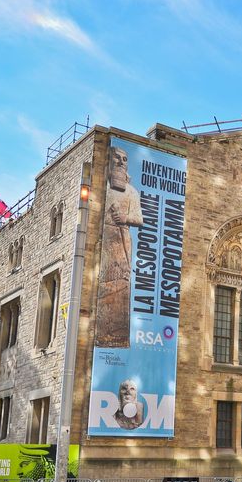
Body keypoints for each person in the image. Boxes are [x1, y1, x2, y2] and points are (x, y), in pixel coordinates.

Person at [95, 146, 144, 348]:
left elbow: (139, 219)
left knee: (122, 283)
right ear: (110, 160)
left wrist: (125, 217)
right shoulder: (102, 188)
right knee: (105, 283)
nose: (121, 162)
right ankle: (104, 332)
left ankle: (118, 333)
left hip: (122, 240)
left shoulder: (132, 192)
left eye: (125, 159)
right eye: (117, 157)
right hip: (106, 241)